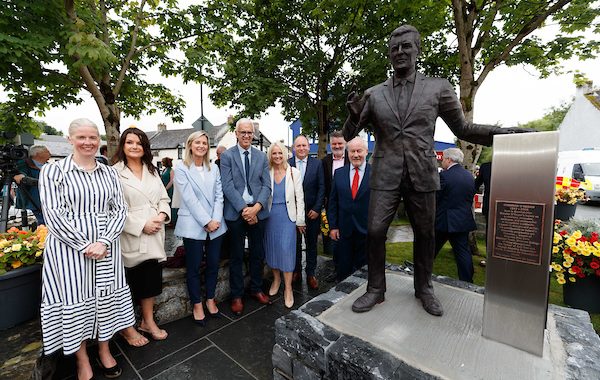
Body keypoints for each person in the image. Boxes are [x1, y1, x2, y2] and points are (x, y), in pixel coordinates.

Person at [344, 24, 531, 316]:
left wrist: (503, 133)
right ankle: (375, 289)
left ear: (418, 50)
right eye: (394, 48)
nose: (400, 52)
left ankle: (424, 288)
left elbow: (464, 128)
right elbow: (348, 133)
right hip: (386, 173)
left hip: (422, 173)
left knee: (426, 234)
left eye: (406, 46)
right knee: (375, 230)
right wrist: (352, 116)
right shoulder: (374, 94)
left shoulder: (438, 87)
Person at [38, 118, 134, 380]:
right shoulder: (53, 172)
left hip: (106, 246)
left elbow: (119, 210)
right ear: (70, 139)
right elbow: (54, 215)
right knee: (74, 300)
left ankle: (104, 350)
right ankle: (82, 360)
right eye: (82, 137)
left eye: (93, 137)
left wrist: (103, 241)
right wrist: (84, 244)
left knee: (105, 299)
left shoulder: (109, 172)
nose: (88, 142)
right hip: (69, 250)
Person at [113, 128, 171, 344]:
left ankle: (148, 321)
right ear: (123, 145)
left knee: (150, 279)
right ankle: (127, 328)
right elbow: (114, 209)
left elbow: (164, 198)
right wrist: (141, 225)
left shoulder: (152, 170)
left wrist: (162, 215)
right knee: (129, 282)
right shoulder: (114, 173)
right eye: (130, 142)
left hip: (155, 231)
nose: (135, 146)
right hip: (132, 233)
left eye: (139, 143)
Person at [174, 131, 228, 325]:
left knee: (213, 264)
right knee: (194, 267)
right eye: (197, 142)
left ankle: (211, 299)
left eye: (204, 143)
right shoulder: (181, 168)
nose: (201, 146)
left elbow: (219, 196)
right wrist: (206, 221)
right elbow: (188, 198)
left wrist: (215, 219)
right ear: (190, 145)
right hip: (193, 223)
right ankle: (197, 304)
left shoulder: (213, 168)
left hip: (216, 224)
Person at [220, 118, 272, 316]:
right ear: (236, 133)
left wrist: (256, 208)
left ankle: (257, 289)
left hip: (258, 211)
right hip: (236, 212)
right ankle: (236, 295)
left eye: (250, 132)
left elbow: (266, 185)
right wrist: (245, 209)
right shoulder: (227, 156)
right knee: (236, 255)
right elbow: (227, 185)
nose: (247, 136)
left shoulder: (261, 156)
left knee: (258, 253)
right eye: (243, 132)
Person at [265, 142, 306, 308]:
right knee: (272, 248)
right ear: (270, 155)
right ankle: (276, 279)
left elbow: (300, 198)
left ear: (285, 154)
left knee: (286, 251)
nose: (277, 156)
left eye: (280, 153)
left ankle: (288, 288)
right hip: (270, 217)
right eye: (274, 154)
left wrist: (300, 220)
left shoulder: (293, 172)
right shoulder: (267, 172)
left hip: (288, 217)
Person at [328, 137, 371, 281]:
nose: (356, 155)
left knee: (363, 271)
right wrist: (333, 226)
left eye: (359, 151)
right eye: (352, 151)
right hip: (343, 231)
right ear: (348, 153)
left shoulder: (376, 173)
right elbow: (333, 202)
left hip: (366, 231)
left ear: (366, 152)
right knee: (343, 269)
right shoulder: (339, 173)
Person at [434, 148, 477, 283]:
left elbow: (436, 197)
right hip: (463, 221)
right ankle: (467, 281)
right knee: (463, 253)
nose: (441, 162)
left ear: (449, 159)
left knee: (429, 250)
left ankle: (420, 274)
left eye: (443, 159)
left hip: (444, 221)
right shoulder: (469, 176)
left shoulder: (444, 176)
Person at [288, 135, 324, 289]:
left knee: (311, 244)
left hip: (312, 212)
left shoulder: (317, 164)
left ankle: (311, 273)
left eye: (304, 145)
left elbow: (322, 188)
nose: (301, 148)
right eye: (298, 146)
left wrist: (317, 208)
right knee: (294, 244)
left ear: (309, 147)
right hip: (292, 213)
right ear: (293, 148)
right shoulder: (287, 164)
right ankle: (296, 271)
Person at [321, 131, 349, 261]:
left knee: (348, 238)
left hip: (349, 205)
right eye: (334, 143)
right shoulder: (324, 162)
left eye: (340, 143)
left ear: (345, 143)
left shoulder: (353, 158)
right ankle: (337, 269)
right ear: (330, 144)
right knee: (334, 238)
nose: (337, 146)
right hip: (331, 206)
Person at [14, 145, 51, 225]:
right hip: (33, 200)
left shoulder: (48, 166)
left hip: (47, 200)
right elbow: (21, 178)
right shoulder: (23, 164)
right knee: (44, 223)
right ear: (38, 154)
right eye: (47, 151)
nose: (50, 154)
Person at [161, 157, 177, 226]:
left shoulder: (171, 170)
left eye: (162, 161)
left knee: (170, 205)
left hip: (169, 189)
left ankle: (172, 222)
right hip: (163, 189)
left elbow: (171, 181)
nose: (161, 163)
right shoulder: (164, 169)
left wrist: (166, 188)